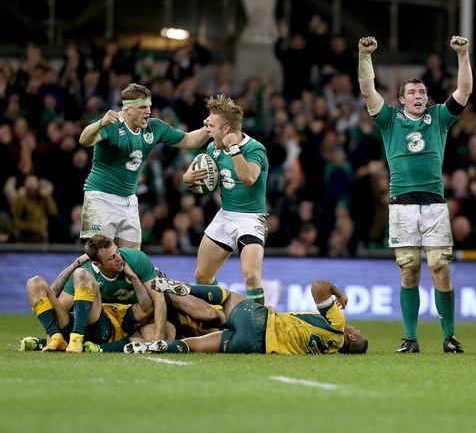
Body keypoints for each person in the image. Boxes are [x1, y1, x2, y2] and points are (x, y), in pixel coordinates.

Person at [357, 35, 472, 353]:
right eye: (412, 92)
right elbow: (368, 90)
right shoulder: (390, 120)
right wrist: (364, 56)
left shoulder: (439, 117)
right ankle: (410, 338)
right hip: (402, 206)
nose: (419, 96)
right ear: (402, 99)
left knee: (441, 270)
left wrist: (462, 55)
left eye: (422, 92)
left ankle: (449, 336)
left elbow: (463, 91)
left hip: (434, 204)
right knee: (409, 272)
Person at [78, 83, 210, 250]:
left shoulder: (154, 127)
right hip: (101, 198)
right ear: (128, 110)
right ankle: (73, 274)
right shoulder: (111, 124)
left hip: (129, 200)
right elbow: (84, 140)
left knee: (131, 261)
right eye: (142, 107)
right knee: (101, 259)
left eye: (149, 106)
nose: (148, 111)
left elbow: (189, 140)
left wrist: (209, 128)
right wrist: (100, 124)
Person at [123, 279, 367, 355]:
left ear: (351, 337)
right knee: (192, 346)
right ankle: (158, 347)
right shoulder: (330, 351)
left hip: (260, 321)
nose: (357, 329)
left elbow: (317, 286)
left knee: (227, 297)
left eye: (359, 333)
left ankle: (185, 289)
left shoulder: (338, 326)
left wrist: (338, 292)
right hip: (255, 346)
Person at [182, 95, 269, 305]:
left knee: (251, 277)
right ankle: (221, 312)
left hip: (251, 219)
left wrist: (234, 149)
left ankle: (258, 326)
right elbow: (205, 184)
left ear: (227, 129)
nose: (207, 130)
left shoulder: (254, 149)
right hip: (225, 215)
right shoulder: (212, 148)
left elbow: (248, 178)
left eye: (211, 126)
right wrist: (188, 179)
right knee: (202, 276)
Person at [20, 234, 167, 353]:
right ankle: (56, 338)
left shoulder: (134, 260)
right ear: (97, 264)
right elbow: (57, 302)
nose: (119, 258)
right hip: (77, 321)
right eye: (112, 257)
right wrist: (75, 264)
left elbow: (148, 307)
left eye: (117, 252)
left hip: (101, 329)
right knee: (35, 283)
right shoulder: (87, 270)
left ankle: (74, 338)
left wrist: (133, 277)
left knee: (82, 274)